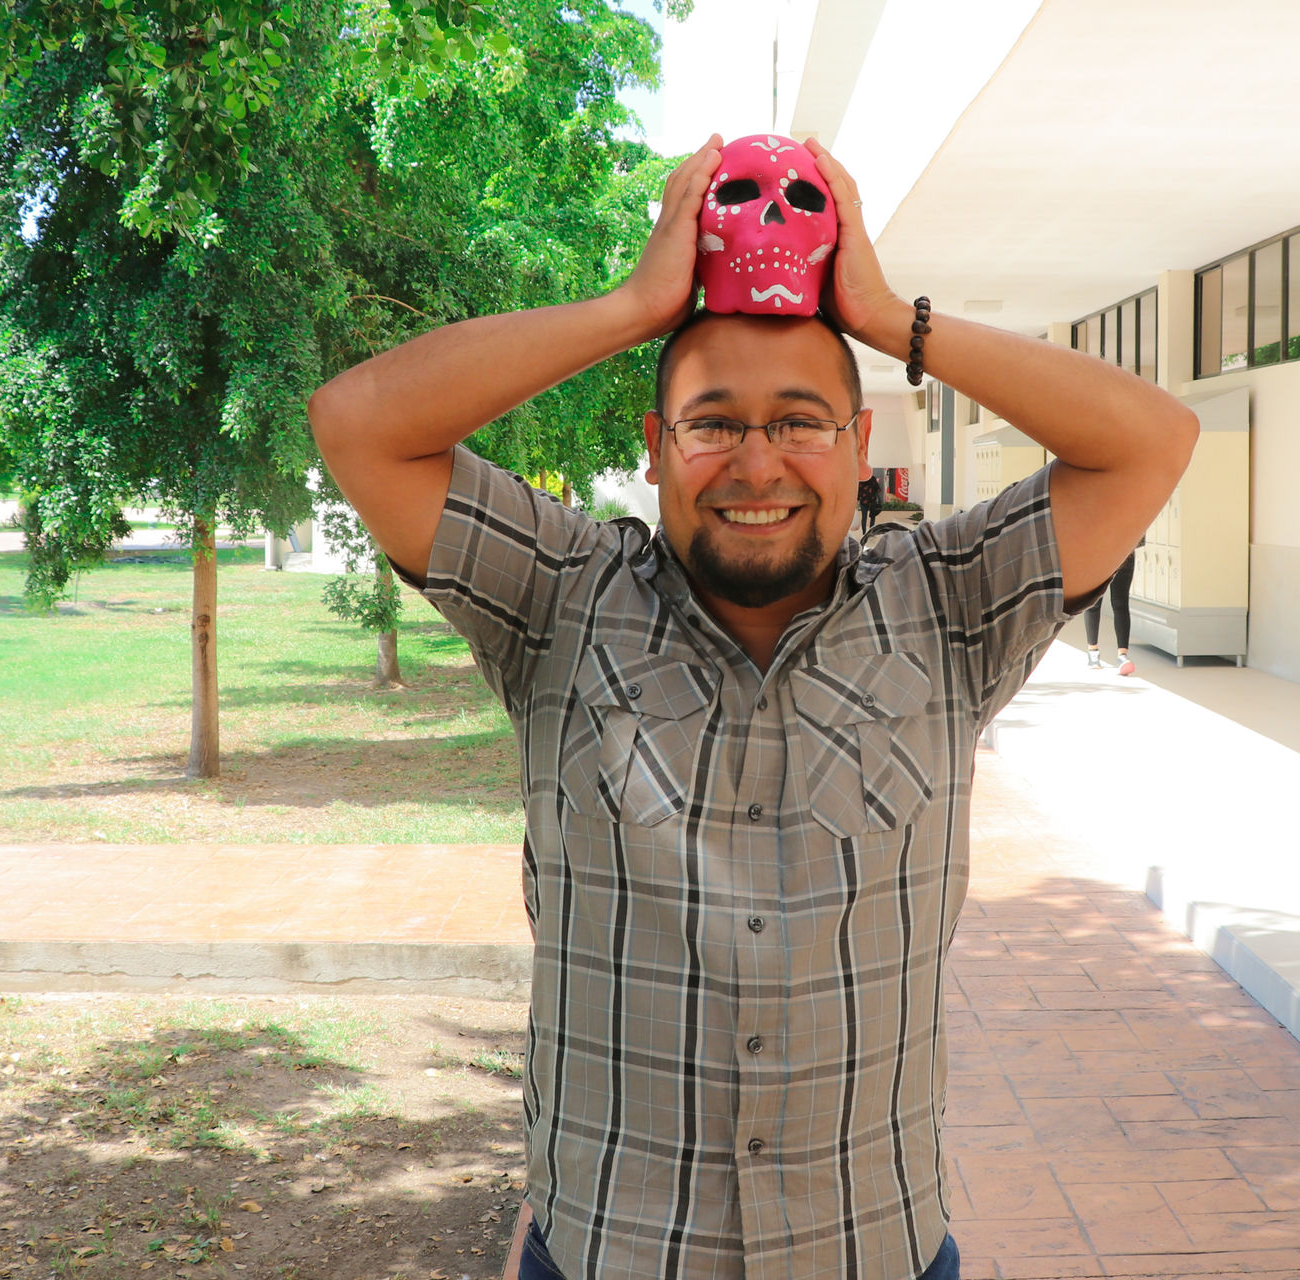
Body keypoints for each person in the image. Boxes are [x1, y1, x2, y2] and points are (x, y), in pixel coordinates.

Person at [308, 133, 1197, 1280]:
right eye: (714, 421)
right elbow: (359, 422)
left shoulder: (948, 606)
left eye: (800, 420)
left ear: (861, 443)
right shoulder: (559, 597)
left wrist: (886, 319)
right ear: (659, 448)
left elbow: (1151, 441)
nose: (758, 461)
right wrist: (636, 307)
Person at [1082, 540, 1139, 675]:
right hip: (1103, 550)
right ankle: (1094, 652)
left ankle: (1121, 655)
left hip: (1122, 550)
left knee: (1118, 602)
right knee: (1097, 601)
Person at [857, 469, 885, 535]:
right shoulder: (872, 479)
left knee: (864, 517)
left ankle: (864, 533)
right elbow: (878, 489)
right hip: (872, 500)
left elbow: (858, 491)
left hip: (863, 501)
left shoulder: (861, 480)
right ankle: (871, 532)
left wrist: (858, 498)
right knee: (872, 516)